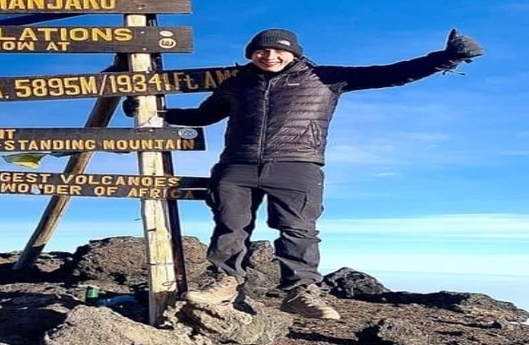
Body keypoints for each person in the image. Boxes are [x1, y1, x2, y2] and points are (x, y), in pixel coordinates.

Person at [123, 28, 484, 320]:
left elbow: (391, 74)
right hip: (237, 164)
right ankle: (225, 281)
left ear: (294, 54)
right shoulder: (236, 83)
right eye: (261, 51)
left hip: (297, 165)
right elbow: (204, 116)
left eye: (278, 51)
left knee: (298, 230)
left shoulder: (325, 77)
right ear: (251, 54)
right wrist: (156, 112)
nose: (269, 56)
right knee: (230, 226)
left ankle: (300, 292)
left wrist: (447, 58)